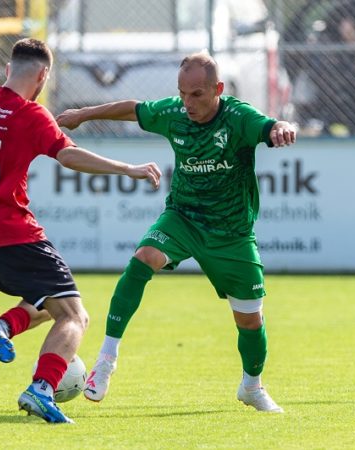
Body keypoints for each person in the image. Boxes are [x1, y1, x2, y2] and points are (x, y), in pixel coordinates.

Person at [0, 38, 161, 424]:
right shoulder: (31, 115)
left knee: (50, 302)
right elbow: (68, 155)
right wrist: (126, 168)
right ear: (43, 76)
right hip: (14, 234)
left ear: (8, 69)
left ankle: (5, 326)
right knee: (74, 316)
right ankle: (42, 389)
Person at [56, 52, 296, 413]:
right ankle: (105, 361)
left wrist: (281, 127)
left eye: (197, 94)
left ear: (218, 89)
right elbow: (133, 109)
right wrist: (83, 114)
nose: (188, 103)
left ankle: (251, 386)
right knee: (143, 258)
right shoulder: (174, 112)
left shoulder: (237, 117)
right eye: (182, 93)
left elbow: (268, 126)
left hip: (230, 231)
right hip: (183, 216)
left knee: (249, 318)